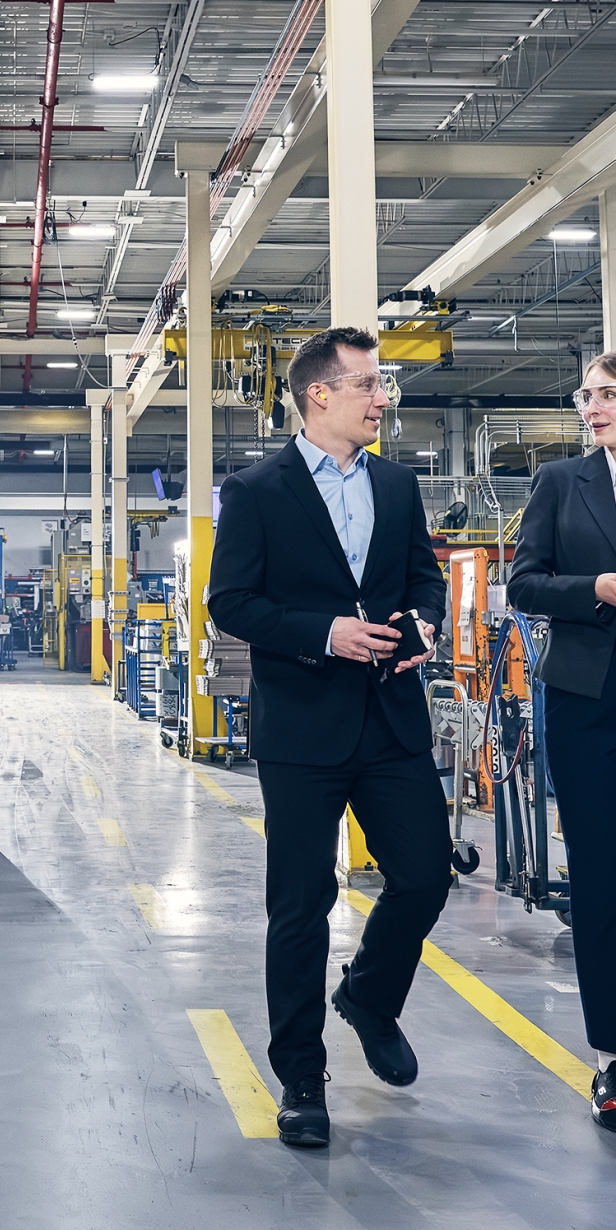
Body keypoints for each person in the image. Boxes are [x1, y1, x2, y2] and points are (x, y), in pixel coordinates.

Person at [207, 326, 452, 1148]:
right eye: (369, 385)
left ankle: (370, 998)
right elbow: (231, 602)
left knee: (422, 875)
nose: (382, 398)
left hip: (390, 717)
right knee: (301, 905)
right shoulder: (257, 489)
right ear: (321, 393)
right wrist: (325, 633)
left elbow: (424, 575)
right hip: (303, 727)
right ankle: (301, 1079)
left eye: (380, 387)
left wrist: (421, 620)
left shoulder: (397, 483)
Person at [509, 348, 616, 1135]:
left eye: (610, 393)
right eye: (586, 395)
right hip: (588, 696)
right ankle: (614, 1055)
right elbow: (524, 582)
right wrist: (595, 592)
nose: (593, 405)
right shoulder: (560, 483)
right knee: (605, 882)